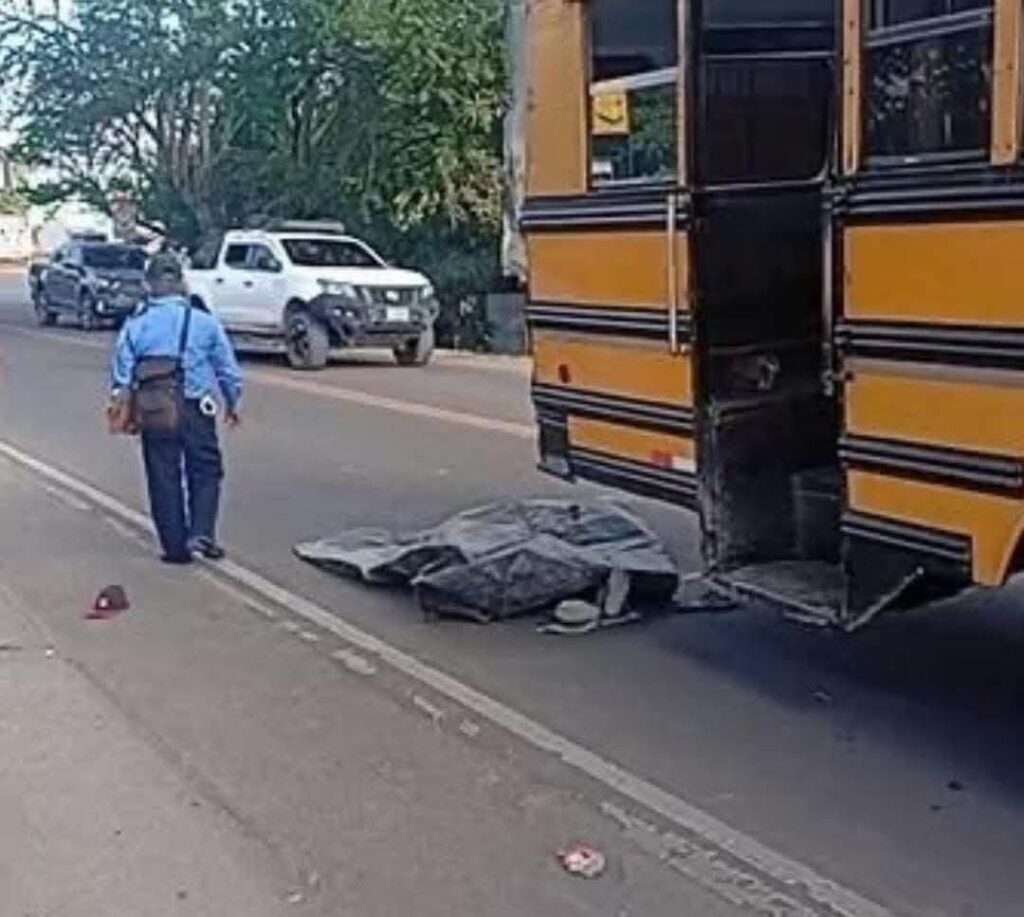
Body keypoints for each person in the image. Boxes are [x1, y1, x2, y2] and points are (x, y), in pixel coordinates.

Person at [110, 253, 243, 564]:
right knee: (205, 469)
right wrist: (233, 402)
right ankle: (201, 532)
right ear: (181, 283)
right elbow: (228, 370)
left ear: (150, 285)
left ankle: (174, 548)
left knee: (162, 474)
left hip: (154, 408)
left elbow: (122, 375)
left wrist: (122, 408)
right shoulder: (204, 322)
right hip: (197, 407)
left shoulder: (136, 325)